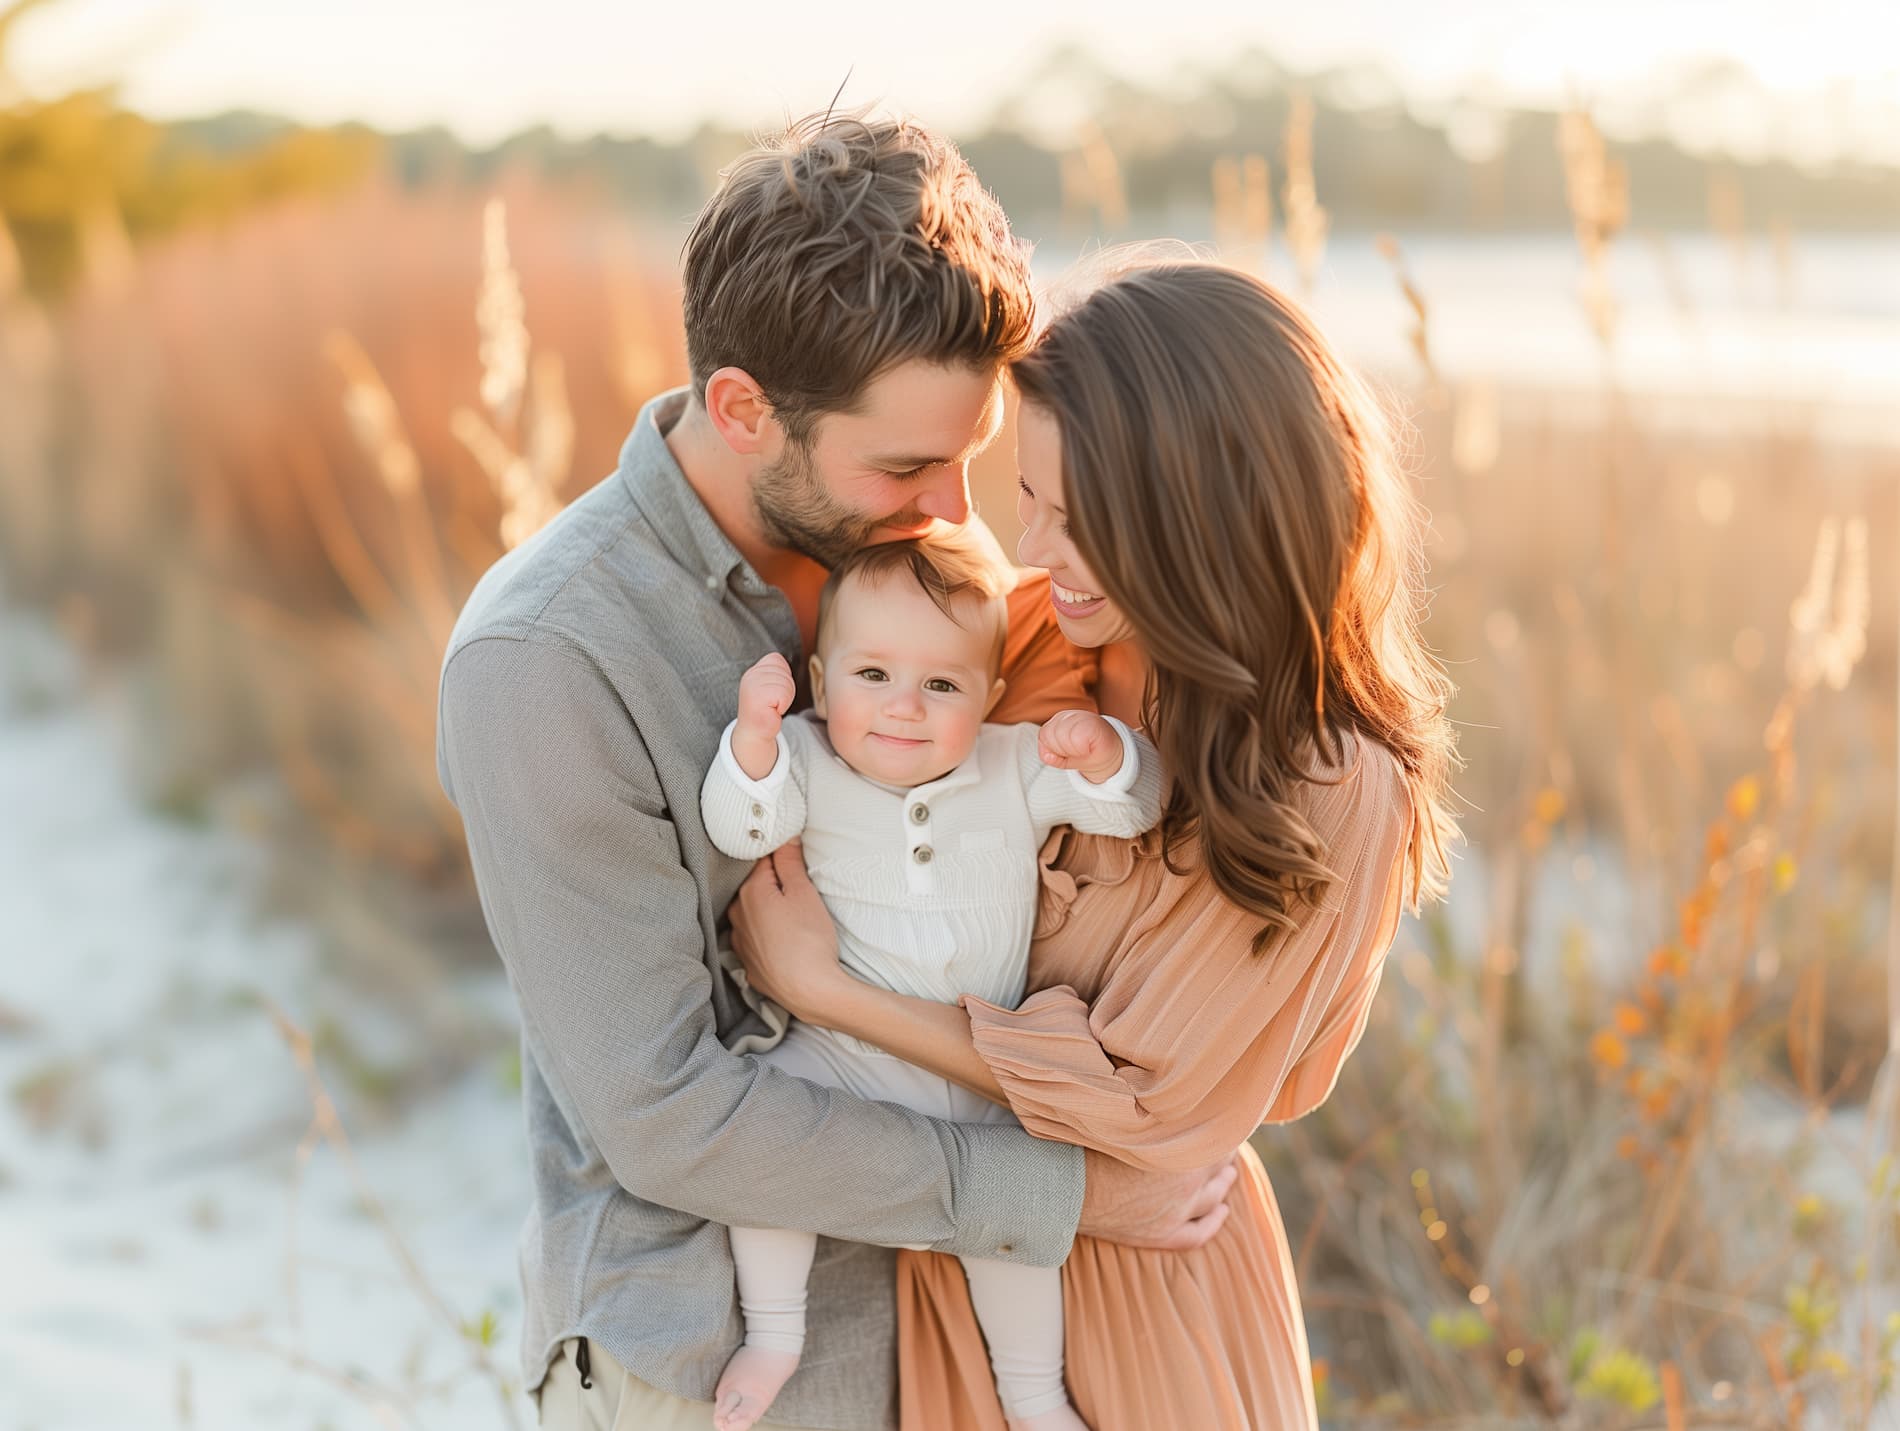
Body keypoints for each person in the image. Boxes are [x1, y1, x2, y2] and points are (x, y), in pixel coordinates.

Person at [435, 115, 1235, 1431]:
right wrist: (1069, 1196)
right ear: (745, 408)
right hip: (712, 1365)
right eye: (908, 465)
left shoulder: (944, 574)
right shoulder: (550, 660)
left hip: (957, 1340)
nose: (957, 516)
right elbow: (665, 1113)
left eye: (969, 456)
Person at [729, 259, 1460, 1430]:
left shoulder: (1324, 781)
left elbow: (1150, 1121)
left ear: (1203, 520)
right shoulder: (1017, 637)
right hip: (951, 1268)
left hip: (1139, 1304)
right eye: (1031, 496)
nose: (1033, 545)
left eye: (1081, 522)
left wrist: (823, 987)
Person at [704, 534, 1164, 1431]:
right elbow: (741, 827)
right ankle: (774, 1333)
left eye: (942, 685)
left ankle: (1034, 1396)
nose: (904, 708)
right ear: (823, 680)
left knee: (1019, 1228)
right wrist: (751, 739)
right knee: (765, 1137)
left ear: (987, 698)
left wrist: (1105, 755)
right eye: (873, 675)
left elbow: (1135, 808)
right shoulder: (804, 757)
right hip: (842, 1060)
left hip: (976, 1074)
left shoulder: (1013, 762)